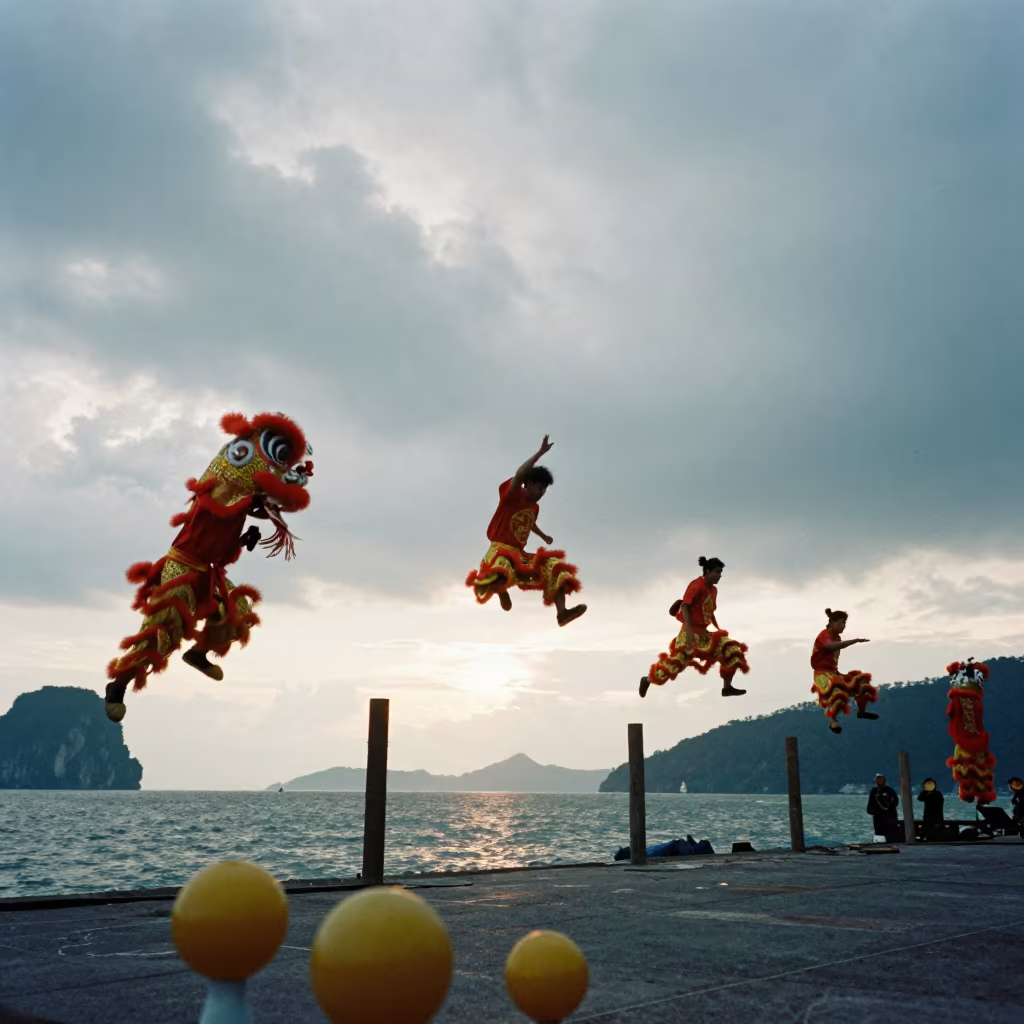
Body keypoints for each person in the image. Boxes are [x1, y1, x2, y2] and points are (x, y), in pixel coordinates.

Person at [103, 412, 313, 723]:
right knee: (162, 633)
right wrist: (274, 488)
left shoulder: (239, 497)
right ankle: (117, 686)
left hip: (209, 571)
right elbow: (244, 499)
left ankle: (198, 654)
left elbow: (246, 510)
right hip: (181, 567)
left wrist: (245, 537)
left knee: (237, 613)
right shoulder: (216, 493)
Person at [465, 435, 586, 626]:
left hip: (519, 556)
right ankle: (500, 589)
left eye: (544, 491)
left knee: (553, 565)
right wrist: (540, 453)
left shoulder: (534, 508)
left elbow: (529, 524)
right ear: (528, 484)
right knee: (502, 565)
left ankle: (562, 612)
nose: (541, 494)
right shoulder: (512, 495)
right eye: (538, 488)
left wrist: (543, 535)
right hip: (499, 550)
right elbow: (520, 473)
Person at [639, 556, 749, 699]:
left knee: (731, 650)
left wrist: (717, 629)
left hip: (704, 634)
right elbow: (685, 606)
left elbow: (708, 610)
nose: (719, 576)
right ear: (708, 571)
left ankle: (727, 688)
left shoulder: (714, 590)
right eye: (717, 572)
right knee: (675, 665)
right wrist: (689, 632)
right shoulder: (696, 585)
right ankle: (646, 680)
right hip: (688, 634)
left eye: (721, 572)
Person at [810, 608, 878, 735]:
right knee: (836, 690)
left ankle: (861, 712)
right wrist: (854, 641)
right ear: (833, 622)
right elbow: (831, 646)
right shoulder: (823, 635)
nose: (844, 626)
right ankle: (832, 721)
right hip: (822, 674)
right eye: (841, 623)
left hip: (834, 672)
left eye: (845, 623)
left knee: (861, 682)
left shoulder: (837, 637)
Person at [945, 659, 996, 805]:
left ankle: (970, 793)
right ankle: (982, 794)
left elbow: (950, 714)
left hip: (964, 740)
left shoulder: (957, 700)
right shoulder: (977, 702)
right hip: (978, 741)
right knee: (978, 769)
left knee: (964, 767)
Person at [867, 774, 900, 843]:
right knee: (879, 834)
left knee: (891, 834)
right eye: (878, 779)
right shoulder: (874, 791)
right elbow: (870, 805)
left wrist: (889, 806)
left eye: (881, 779)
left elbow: (895, 801)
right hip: (878, 817)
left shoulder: (890, 790)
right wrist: (877, 812)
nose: (880, 781)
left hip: (890, 816)